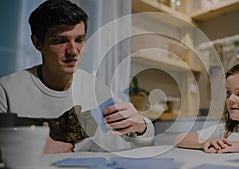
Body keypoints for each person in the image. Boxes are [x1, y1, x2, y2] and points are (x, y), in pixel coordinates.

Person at [0, 0, 154, 154]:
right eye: (60, 41)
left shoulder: (93, 88)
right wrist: (33, 149)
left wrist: (141, 126)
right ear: (37, 43)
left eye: (79, 40)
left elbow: (146, 139)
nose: (73, 51)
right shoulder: (6, 90)